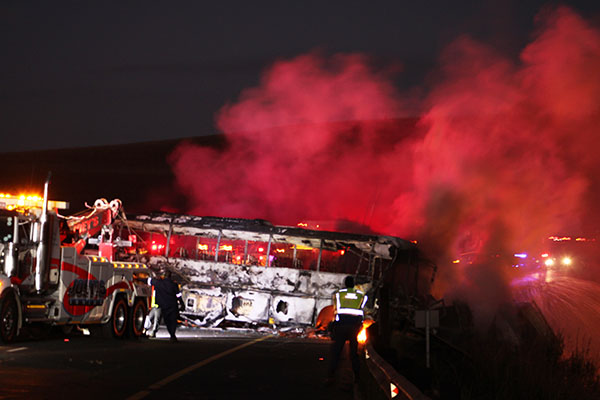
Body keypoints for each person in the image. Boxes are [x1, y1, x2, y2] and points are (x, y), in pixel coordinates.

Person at [326, 275, 367, 384]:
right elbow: (362, 307)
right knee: (354, 353)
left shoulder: (339, 294)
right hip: (354, 327)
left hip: (341, 325)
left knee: (336, 352)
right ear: (354, 284)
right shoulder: (360, 295)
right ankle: (357, 377)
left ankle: (331, 376)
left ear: (345, 284)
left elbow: (335, 309)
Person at [148, 269, 184, 342]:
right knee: (172, 320)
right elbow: (178, 295)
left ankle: (171, 334)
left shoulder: (158, 283)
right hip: (172, 305)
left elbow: (148, 281)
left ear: (163, 276)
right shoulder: (174, 284)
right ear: (170, 276)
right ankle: (172, 335)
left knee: (166, 320)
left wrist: (136, 277)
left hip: (163, 305)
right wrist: (182, 303)